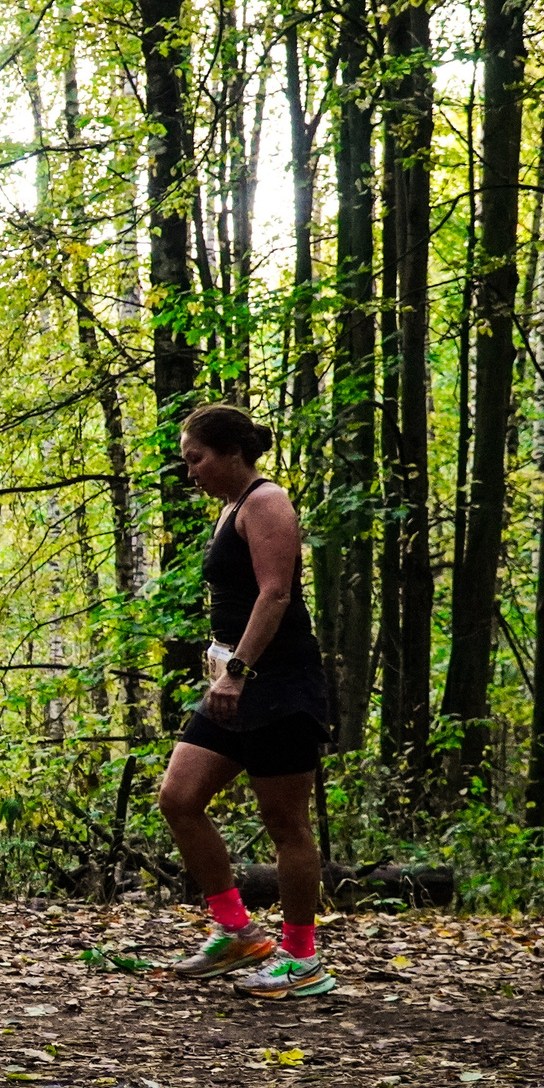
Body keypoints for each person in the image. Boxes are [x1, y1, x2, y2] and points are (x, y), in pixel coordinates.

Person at [153, 403, 337, 998]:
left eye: (197, 459)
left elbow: (276, 594)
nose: (191, 472)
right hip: (233, 684)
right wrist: (225, 673)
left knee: (286, 824)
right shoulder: (230, 509)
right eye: (187, 461)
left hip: (278, 684)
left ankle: (302, 957)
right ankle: (237, 932)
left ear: (232, 453)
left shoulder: (266, 502)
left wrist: (235, 670)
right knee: (179, 799)